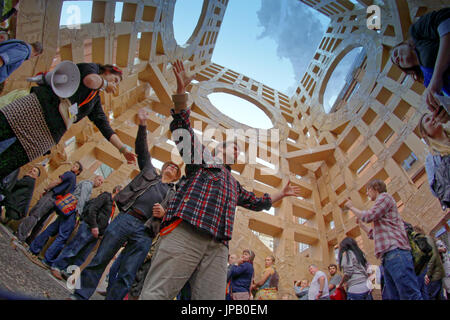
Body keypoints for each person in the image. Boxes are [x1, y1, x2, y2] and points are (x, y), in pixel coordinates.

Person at [139, 60, 301, 300]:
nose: (237, 152)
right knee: (158, 293)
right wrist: (181, 91)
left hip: (218, 247)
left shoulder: (234, 184)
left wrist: (282, 194)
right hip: (186, 230)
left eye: (238, 151)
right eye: (232, 148)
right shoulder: (202, 158)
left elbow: (258, 201)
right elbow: (182, 127)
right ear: (217, 150)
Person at [69, 108, 180, 300]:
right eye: (169, 164)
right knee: (100, 258)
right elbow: (142, 149)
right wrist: (143, 124)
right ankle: (80, 295)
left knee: (127, 273)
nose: (171, 167)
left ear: (177, 176)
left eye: (175, 168)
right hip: (126, 218)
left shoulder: (175, 194)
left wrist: (163, 213)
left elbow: (174, 218)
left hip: (146, 231)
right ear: (163, 168)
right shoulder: (149, 172)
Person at [0, 62, 136, 180]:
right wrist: (105, 83)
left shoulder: (95, 100)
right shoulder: (91, 68)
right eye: (115, 80)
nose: (114, 85)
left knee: (5, 164)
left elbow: (105, 127)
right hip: (36, 109)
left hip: (47, 135)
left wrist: (123, 149)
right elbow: (90, 81)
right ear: (107, 71)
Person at [346, 179, 423, 300]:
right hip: (388, 257)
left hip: (396, 252)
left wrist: (351, 207)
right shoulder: (382, 211)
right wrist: (362, 226)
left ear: (375, 188)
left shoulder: (384, 197)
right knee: (394, 296)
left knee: (409, 295)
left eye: (368, 190)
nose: (367, 194)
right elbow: (373, 234)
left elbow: (368, 216)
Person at [26, 175, 104, 268]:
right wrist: (78, 216)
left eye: (102, 182)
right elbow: (81, 200)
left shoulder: (84, 182)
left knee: (51, 229)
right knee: (63, 236)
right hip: (73, 212)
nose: (100, 183)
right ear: (94, 178)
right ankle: (47, 259)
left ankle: (34, 249)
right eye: (99, 180)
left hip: (66, 209)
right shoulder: (88, 185)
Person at [50, 185, 122, 280]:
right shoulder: (105, 197)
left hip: (96, 234)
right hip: (89, 228)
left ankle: (67, 271)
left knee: (82, 255)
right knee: (74, 248)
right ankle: (57, 266)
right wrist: (94, 226)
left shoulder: (113, 205)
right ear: (116, 190)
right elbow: (93, 209)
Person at [390, 8, 450, 112]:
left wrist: (437, 76)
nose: (397, 58)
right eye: (397, 63)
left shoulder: (417, 32)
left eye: (395, 53)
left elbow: (446, 21)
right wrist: (445, 112)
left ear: (405, 44)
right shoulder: (427, 81)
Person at [15, 161, 82, 245]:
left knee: (35, 214)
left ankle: (20, 235)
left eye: (76, 166)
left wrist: (47, 189)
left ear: (78, 172)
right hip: (57, 203)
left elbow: (58, 181)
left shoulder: (69, 174)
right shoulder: (74, 181)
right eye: (74, 165)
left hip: (52, 196)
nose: (73, 167)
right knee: (41, 221)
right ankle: (30, 241)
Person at [419, 112, 450, 209]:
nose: (433, 118)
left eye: (432, 116)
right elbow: (436, 190)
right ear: (425, 134)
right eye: (428, 120)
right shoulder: (431, 159)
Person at [412, 226, 446, 300]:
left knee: (433, 296)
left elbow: (432, 258)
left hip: (432, 275)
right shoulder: (426, 241)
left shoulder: (425, 241)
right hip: (435, 274)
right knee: (438, 296)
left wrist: (428, 273)